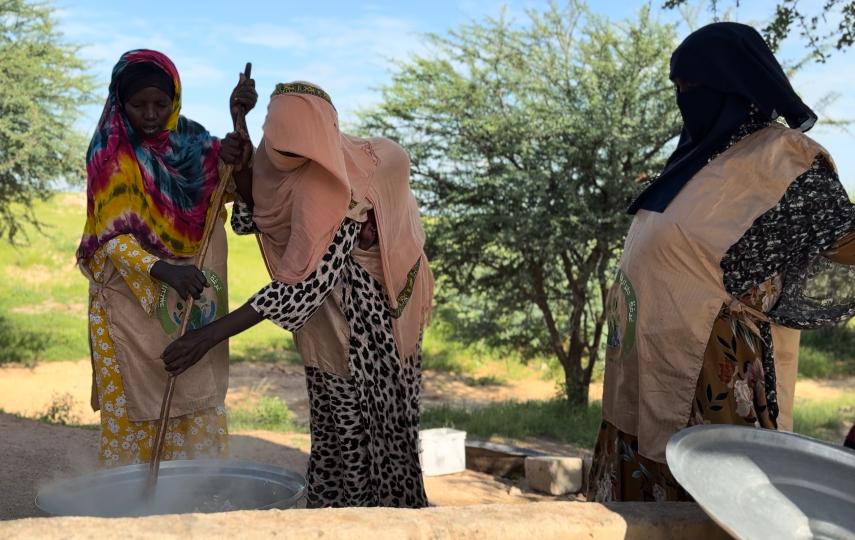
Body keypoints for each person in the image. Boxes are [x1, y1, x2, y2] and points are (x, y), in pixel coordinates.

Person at [588, 22, 855, 502]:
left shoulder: (784, 161)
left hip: (707, 377)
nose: (684, 97)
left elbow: (845, 244)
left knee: (707, 502)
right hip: (641, 367)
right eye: (678, 87)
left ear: (734, 86)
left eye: (693, 86)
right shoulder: (695, 160)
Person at [161, 81, 435, 508]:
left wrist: (205, 337)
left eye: (298, 150)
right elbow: (262, 205)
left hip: (371, 321)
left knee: (371, 430)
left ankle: (377, 524)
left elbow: (299, 286)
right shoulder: (278, 155)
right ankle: (331, 518)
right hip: (327, 317)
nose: (287, 159)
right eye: (278, 145)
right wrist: (239, 124)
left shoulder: (338, 185)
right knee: (332, 421)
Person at [76, 49, 256, 467]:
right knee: (137, 410)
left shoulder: (198, 145)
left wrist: (239, 138)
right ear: (121, 104)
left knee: (195, 397)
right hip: (126, 304)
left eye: (162, 103)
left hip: (187, 302)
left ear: (175, 99)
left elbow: (243, 196)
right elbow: (109, 238)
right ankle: (134, 514)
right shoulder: (110, 153)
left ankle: (199, 504)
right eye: (140, 105)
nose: (152, 114)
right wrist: (166, 270)